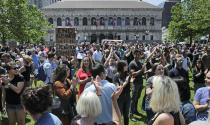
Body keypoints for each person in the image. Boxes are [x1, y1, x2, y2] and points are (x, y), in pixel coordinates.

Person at [113, 60, 132, 125]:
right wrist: (126, 82)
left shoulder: (127, 74)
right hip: (120, 98)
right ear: (122, 67)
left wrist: (131, 82)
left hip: (127, 97)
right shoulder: (116, 76)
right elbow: (117, 88)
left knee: (126, 115)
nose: (127, 66)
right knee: (119, 115)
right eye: (126, 65)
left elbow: (131, 87)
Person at [129, 49, 144, 121]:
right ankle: (131, 114)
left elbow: (142, 73)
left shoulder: (140, 63)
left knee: (137, 98)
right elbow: (133, 74)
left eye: (139, 54)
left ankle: (135, 111)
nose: (137, 56)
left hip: (140, 83)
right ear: (134, 55)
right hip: (135, 83)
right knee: (133, 99)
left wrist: (146, 71)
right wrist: (141, 70)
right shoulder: (132, 63)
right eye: (136, 54)